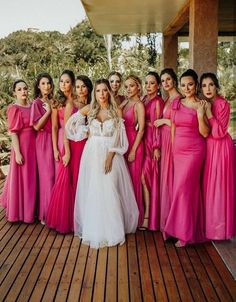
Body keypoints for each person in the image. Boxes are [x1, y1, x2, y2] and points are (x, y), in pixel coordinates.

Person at [65, 78, 139, 248]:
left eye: (104, 90)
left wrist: (110, 156)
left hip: (110, 152)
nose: (101, 94)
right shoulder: (89, 109)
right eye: (98, 91)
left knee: (110, 187)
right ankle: (95, 229)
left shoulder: (116, 111)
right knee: (95, 188)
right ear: (94, 93)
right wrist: (85, 132)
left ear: (109, 92)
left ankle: (113, 230)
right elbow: (70, 125)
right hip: (92, 152)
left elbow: (119, 137)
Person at [164, 69, 209, 247]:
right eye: (183, 85)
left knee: (183, 189)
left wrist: (199, 114)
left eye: (190, 84)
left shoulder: (202, 105)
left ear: (196, 85)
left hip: (194, 151)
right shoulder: (177, 102)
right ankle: (180, 228)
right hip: (178, 151)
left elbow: (205, 133)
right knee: (181, 190)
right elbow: (173, 127)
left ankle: (183, 234)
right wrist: (173, 150)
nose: (186, 87)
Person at [46, 73, 92, 233]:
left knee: (83, 180)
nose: (80, 89)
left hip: (86, 146)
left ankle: (83, 218)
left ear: (88, 88)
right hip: (72, 147)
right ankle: (68, 221)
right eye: (77, 86)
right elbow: (65, 129)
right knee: (70, 180)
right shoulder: (71, 104)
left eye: (83, 86)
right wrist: (66, 152)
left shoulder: (92, 104)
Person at [200, 72, 235, 240]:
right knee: (209, 186)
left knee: (219, 187)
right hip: (209, 147)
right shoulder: (204, 104)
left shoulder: (222, 104)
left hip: (221, 148)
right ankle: (209, 226)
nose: (208, 88)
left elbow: (220, 132)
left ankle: (219, 230)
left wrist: (209, 114)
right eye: (204, 85)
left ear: (216, 86)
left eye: (211, 84)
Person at [0, 80, 37, 222]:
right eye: (20, 89)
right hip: (22, 146)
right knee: (23, 179)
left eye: (25, 88)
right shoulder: (14, 108)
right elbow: (13, 132)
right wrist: (18, 152)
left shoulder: (32, 105)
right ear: (14, 92)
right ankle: (22, 213)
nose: (23, 91)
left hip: (34, 146)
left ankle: (32, 210)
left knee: (32, 179)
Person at [154, 68, 181, 231]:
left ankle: (174, 222)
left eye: (168, 80)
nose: (165, 83)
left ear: (174, 80)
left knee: (172, 178)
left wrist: (164, 120)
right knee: (166, 178)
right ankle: (167, 221)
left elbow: (180, 123)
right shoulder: (167, 99)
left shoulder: (179, 99)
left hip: (173, 140)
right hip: (164, 141)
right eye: (163, 81)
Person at [30, 72, 55, 223]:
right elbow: (36, 126)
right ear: (38, 86)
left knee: (55, 176)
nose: (47, 86)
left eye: (49, 83)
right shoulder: (36, 103)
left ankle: (54, 210)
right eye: (43, 83)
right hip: (43, 141)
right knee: (47, 177)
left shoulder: (53, 100)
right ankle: (45, 214)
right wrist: (49, 112)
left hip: (54, 139)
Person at [141, 71, 164, 230]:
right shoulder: (143, 99)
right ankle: (145, 213)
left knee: (146, 177)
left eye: (152, 83)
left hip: (152, 141)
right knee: (142, 177)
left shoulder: (158, 101)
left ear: (158, 85)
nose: (148, 86)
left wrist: (156, 147)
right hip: (142, 139)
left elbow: (157, 125)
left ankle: (149, 216)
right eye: (146, 83)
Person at [121, 75, 145, 227]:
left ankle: (135, 219)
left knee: (134, 181)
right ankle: (125, 215)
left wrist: (133, 151)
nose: (128, 89)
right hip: (123, 142)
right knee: (124, 181)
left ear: (138, 87)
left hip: (133, 142)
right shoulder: (125, 102)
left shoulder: (139, 105)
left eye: (131, 86)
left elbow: (141, 129)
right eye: (127, 86)